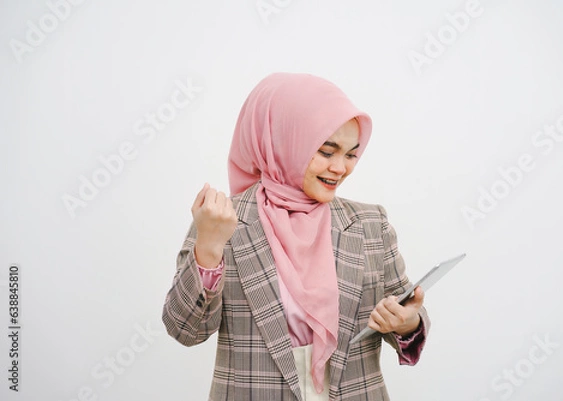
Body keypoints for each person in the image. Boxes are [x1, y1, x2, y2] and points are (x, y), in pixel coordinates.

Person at [162, 72, 430, 401]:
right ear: (281, 143)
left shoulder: (370, 224)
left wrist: (406, 322)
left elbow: (404, 314)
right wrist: (208, 248)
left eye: (350, 154)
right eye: (326, 151)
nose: (341, 168)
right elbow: (186, 331)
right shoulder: (223, 222)